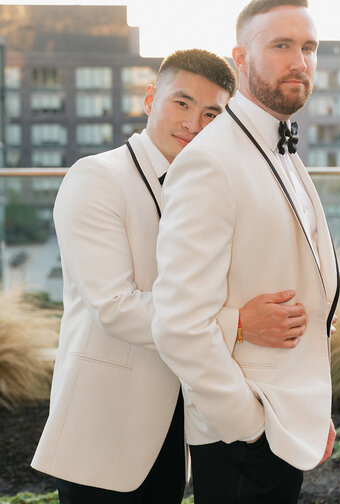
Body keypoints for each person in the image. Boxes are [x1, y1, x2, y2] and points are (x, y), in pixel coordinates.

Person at [31, 48, 308, 504]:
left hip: (176, 429)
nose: (193, 124)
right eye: (181, 103)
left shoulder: (212, 185)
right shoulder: (96, 177)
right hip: (105, 431)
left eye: (211, 113)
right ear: (149, 99)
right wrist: (238, 322)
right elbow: (114, 308)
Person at [152, 0, 340, 504]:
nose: (299, 61)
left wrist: (305, 410)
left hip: (284, 416)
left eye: (308, 47)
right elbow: (178, 324)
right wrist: (251, 427)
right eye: (281, 45)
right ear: (240, 57)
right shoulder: (210, 161)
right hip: (243, 437)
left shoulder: (278, 147)